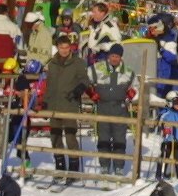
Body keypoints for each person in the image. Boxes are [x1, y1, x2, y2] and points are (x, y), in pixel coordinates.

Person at [43, 34, 91, 176]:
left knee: (70, 137)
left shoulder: (78, 63)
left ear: (70, 47)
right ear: (57, 48)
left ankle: (73, 170)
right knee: (55, 137)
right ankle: (60, 167)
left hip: (69, 104)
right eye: (61, 47)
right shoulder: (52, 63)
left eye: (66, 47)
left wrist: (78, 90)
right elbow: (49, 85)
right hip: (53, 104)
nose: (64, 50)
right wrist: (45, 101)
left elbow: (85, 80)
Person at [89, 45, 136, 177]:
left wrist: (133, 93)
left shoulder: (128, 72)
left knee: (119, 139)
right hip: (103, 107)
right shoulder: (97, 68)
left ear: (121, 57)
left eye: (117, 56)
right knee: (103, 138)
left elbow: (137, 87)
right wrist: (91, 93)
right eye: (112, 56)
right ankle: (104, 165)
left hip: (119, 109)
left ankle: (119, 166)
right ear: (108, 56)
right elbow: (85, 80)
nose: (114, 59)